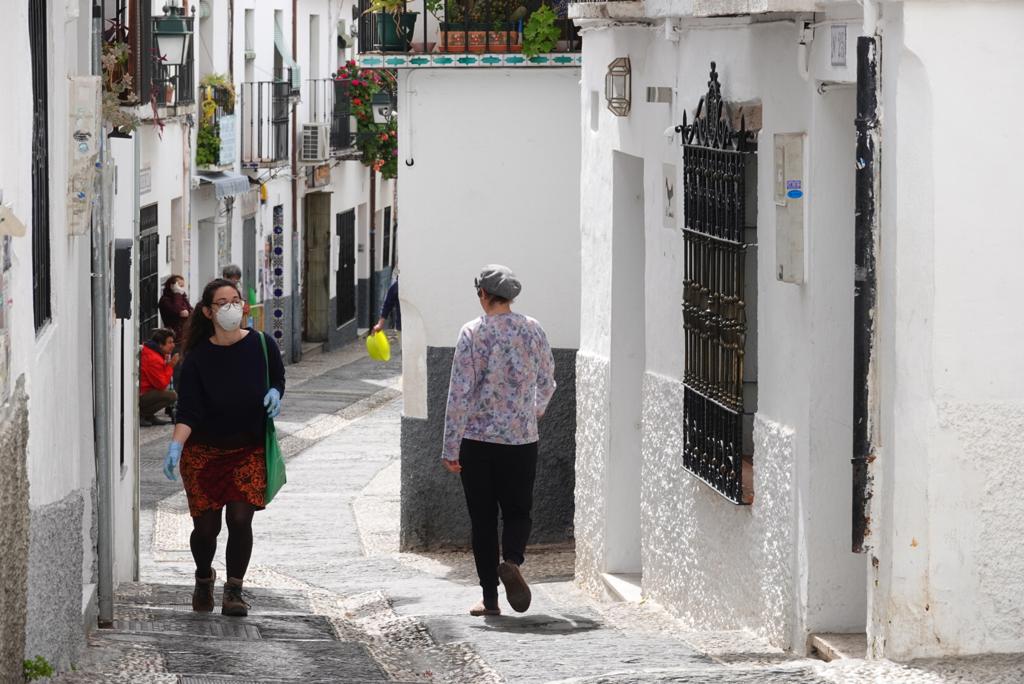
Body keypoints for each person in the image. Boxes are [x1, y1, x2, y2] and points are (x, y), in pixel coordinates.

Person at [162, 278, 285, 617]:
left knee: (240, 517)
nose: (232, 307)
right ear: (207, 311)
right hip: (203, 453)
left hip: (248, 449)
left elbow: (278, 378)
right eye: (223, 302)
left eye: (236, 300)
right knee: (206, 528)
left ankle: (234, 590)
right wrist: (176, 446)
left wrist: (276, 393)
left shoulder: (262, 344)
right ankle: (204, 576)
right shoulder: (196, 360)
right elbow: (188, 410)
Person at [441, 265, 556, 617]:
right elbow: (548, 380)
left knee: (483, 519)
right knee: (519, 510)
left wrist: (450, 447)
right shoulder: (533, 329)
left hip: (477, 442)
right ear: (510, 297)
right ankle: (513, 561)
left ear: (483, 295)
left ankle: (490, 600)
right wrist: (530, 412)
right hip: (521, 441)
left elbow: (458, 393)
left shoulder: (473, 333)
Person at [139, 328, 180, 427]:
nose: (173, 345)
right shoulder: (153, 358)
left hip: (145, 391)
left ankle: (149, 415)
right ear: (160, 344)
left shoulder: (155, 353)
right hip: (142, 394)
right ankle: (142, 414)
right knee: (172, 396)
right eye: (170, 342)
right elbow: (161, 384)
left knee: (169, 394)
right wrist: (170, 366)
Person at [158, 275, 193, 341]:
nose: (181, 289)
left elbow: (191, 310)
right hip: (175, 337)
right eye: (179, 286)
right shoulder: (165, 300)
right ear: (172, 286)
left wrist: (187, 313)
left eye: (182, 286)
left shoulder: (182, 297)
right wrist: (177, 293)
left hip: (186, 335)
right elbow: (176, 310)